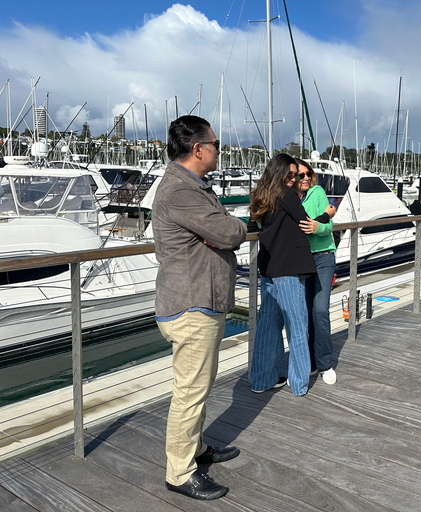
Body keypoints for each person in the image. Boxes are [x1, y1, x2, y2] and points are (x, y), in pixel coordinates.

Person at [153, 115, 247, 500]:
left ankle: (195, 448)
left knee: (199, 386)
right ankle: (179, 472)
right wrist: (226, 230)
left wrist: (220, 231)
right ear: (198, 149)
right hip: (192, 305)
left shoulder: (189, 184)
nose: (218, 150)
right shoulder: (180, 190)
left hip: (199, 300)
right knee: (190, 391)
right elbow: (230, 231)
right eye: (216, 144)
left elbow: (219, 231)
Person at [249, 153, 316, 397]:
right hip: (288, 268)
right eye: (291, 174)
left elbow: (251, 225)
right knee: (297, 326)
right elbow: (304, 221)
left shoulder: (261, 195)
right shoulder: (287, 194)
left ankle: (261, 380)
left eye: (296, 175)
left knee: (268, 326)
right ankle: (298, 383)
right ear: (279, 174)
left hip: (269, 267)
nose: (294, 178)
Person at [293, 159, 338, 384]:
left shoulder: (318, 192)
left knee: (320, 311)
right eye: (300, 175)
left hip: (323, 257)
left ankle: (324, 363)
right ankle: (307, 362)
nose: (306, 178)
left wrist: (317, 226)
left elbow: (329, 226)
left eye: (308, 173)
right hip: (299, 259)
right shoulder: (288, 197)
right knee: (302, 314)